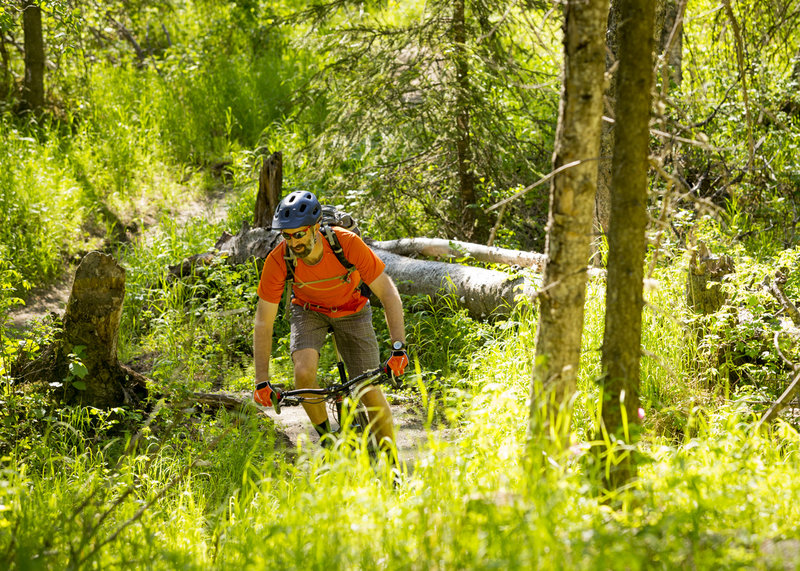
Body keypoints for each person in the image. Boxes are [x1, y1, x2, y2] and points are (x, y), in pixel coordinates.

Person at [252, 191, 409, 450]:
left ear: (315, 228)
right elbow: (263, 321)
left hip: (352, 309)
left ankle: (391, 461)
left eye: (299, 234)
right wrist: (261, 379)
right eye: (286, 235)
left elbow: (388, 293)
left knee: (367, 388)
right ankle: (329, 443)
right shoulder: (279, 259)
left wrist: (398, 348)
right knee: (303, 374)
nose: (293, 242)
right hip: (308, 310)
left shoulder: (346, 244)